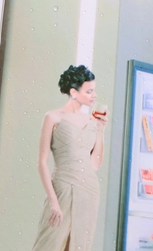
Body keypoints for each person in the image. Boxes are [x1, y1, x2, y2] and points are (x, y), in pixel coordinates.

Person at [31, 65, 107, 251]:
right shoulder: (52, 117)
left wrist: (100, 130)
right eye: (89, 91)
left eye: (94, 90)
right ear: (73, 92)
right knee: (49, 242)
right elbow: (42, 162)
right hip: (62, 188)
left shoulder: (91, 121)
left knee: (79, 244)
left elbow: (95, 164)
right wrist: (53, 201)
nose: (94, 95)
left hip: (89, 190)